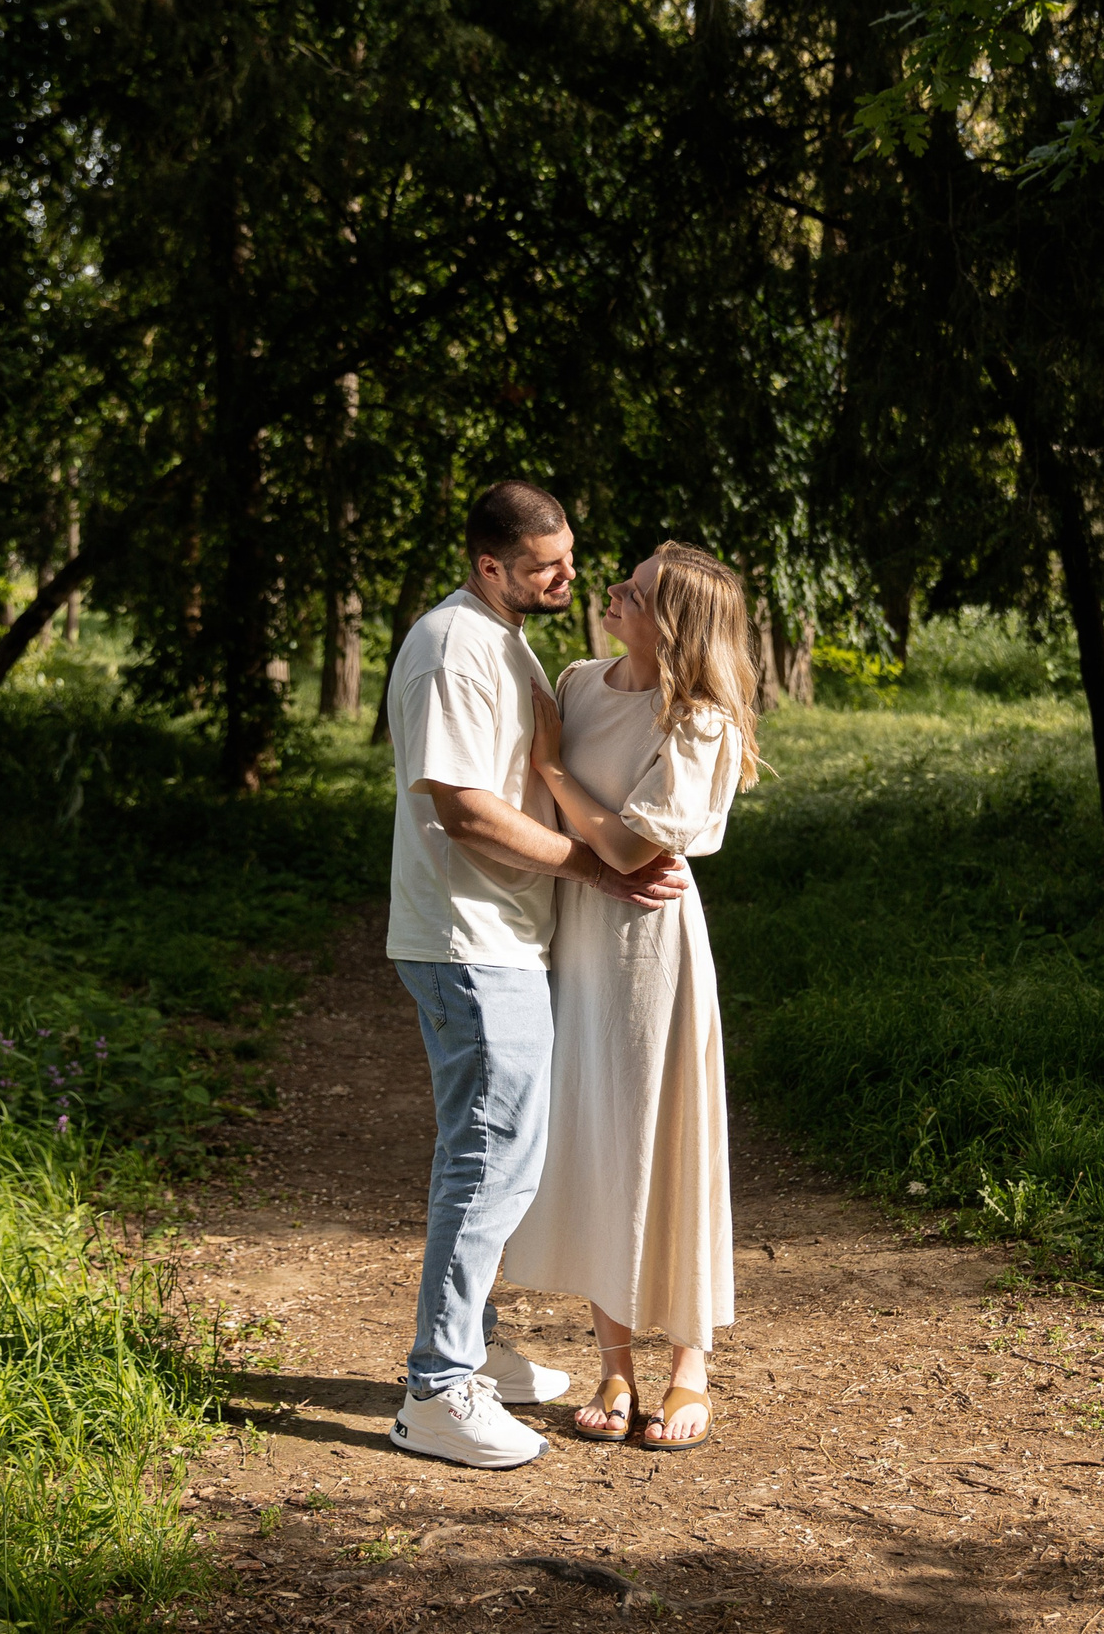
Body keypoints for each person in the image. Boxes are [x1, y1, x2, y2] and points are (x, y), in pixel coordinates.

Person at [384, 480, 690, 1470]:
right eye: (545, 565)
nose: (569, 577)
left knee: (498, 1153)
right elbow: (464, 810)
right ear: (488, 564)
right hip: (468, 939)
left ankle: (470, 1347)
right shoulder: (450, 648)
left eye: (569, 556)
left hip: (505, 937)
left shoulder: (504, 638)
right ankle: (437, 1390)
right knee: (489, 1159)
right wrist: (596, 871)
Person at [506, 541, 760, 1452]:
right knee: (600, 1137)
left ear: (676, 624)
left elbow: (628, 852)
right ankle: (614, 1361)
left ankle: (690, 1362)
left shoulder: (697, 721)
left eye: (637, 591)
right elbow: (584, 842)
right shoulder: (577, 681)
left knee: (671, 1134)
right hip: (576, 944)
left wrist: (553, 770)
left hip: (654, 949)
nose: (613, 590)